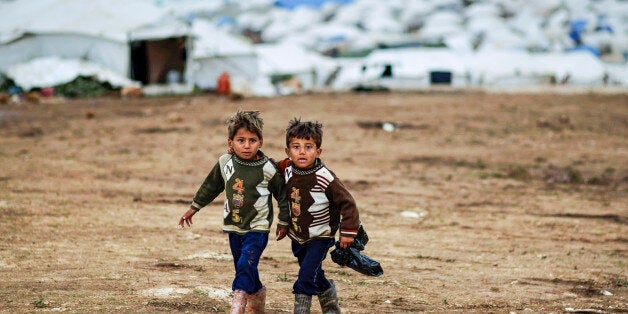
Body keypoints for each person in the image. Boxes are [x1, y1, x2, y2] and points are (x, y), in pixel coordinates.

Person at [178, 110, 290, 314]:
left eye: (252, 140)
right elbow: (211, 186)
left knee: (247, 261)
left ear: (261, 142)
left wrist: (284, 221)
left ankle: (238, 302)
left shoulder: (267, 168)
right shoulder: (225, 163)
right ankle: (257, 296)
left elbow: (282, 195)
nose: (247, 145)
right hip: (233, 225)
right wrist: (194, 207)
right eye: (241, 140)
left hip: (258, 226)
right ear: (230, 142)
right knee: (243, 265)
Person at [275, 118, 360, 314]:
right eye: (296, 147)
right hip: (298, 235)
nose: (302, 151)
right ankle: (331, 306)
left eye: (308, 147)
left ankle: (301, 310)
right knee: (314, 272)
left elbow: (347, 203)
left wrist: (347, 232)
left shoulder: (325, 177)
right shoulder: (286, 169)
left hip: (320, 236)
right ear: (288, 152)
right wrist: (253, 158)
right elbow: (269, 167)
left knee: (305, 276)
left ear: (318, 151)